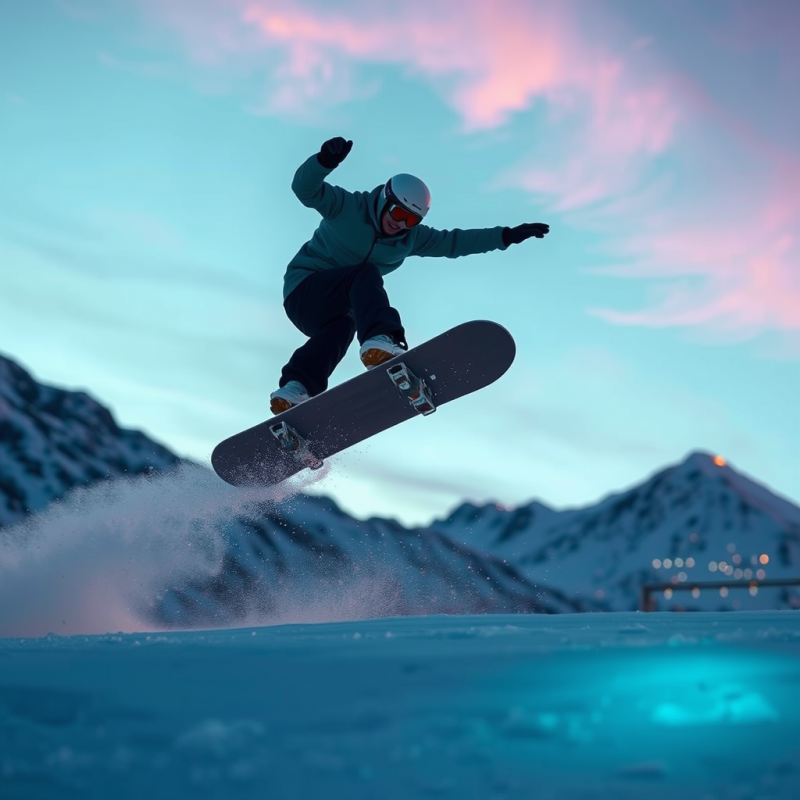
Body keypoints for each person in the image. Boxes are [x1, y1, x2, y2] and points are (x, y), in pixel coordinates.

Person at [270, 136, 550, 414]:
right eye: (397, 213)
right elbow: (305, 189)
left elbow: (455, 242)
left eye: (411, 219)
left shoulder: (411, 238)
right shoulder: (347, 206)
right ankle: (380, 339)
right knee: (364, 275)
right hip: (304, 290)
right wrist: (324, 161)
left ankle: (296, 388)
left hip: (331, 313)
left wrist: (505, 236)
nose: (400, 224)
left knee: (344, 327)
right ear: (385, 200)